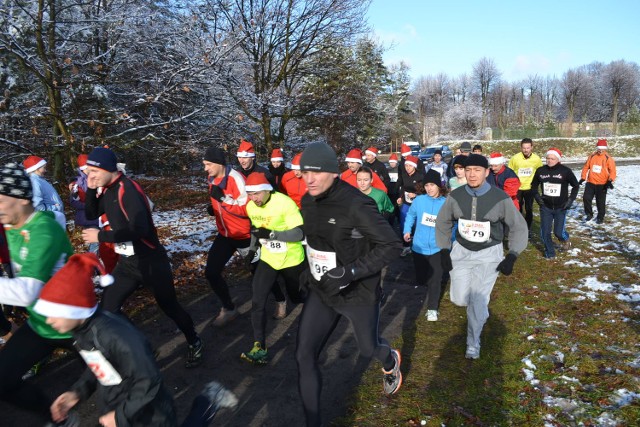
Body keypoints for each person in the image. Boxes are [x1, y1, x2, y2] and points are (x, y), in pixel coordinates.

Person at [35, 253, 238, 427]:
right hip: (121, 409)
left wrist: (120, 415)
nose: (49, 320)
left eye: (54, 312)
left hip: (149, 414)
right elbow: (99, 364)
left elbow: (149, 379)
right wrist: (76, 393)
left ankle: (209, 401)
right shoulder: (82, 330)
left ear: (74, 308)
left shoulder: (116, 335)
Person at [296, 143, 403, 427]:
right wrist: (309, 268)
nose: (309, 179)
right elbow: (315, 238)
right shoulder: (308, 200)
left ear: (333, 172)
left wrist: (350, 271)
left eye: (316, 173)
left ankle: (390, 359)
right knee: (304, 355)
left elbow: (391, 245)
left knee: (368, 350)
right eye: (305, 172)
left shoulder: (356, 204)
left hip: (358, 290)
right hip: (324, 288)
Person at [82, 147, 204, 368]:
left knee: (169, 306)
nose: (90, 176)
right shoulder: (108, 189)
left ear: (109, 168)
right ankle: (143, 347)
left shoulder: (128, 190)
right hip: (128, 264)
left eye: (93, 171)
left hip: (151, 262)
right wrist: (91, 189)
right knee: (108, 309)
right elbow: (91, 213)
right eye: (87, 172)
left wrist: (101, 235)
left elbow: (140, 229)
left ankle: (194, 340)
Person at [0, 162, 75, 424]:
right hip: (42, 324)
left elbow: (27, 292)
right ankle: (58, 419)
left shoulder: (44, 228)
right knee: (3, 381)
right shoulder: (11, 226)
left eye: (0, 200)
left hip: (75, 324)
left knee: (121, 379)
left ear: (21, 199)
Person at [435, 154, 528, 360]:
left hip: (489, 253)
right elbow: (443, 222)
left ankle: (473, 343)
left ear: (487, 172)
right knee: (459, 299)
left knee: (477, 300)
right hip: (461, 250)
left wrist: (512, 255)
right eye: (468, 170)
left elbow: (518, 227)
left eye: (477, 170)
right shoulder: (455, 196)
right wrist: (444, 249)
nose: (472, 174)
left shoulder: (500, 198)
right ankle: (480, 311)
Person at [202, 146, 287, 325]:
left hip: (245, 235)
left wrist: (223, 201)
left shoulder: (237, 179)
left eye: (208, 164)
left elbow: (246, 209)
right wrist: (214, 209)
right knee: (211, 272)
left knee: (260, 272)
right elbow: (219, 203)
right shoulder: (211, 178)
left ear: (219, 163)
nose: (206, 168)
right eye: (205, 164)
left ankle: (280, 299)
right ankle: (229, 308)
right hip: (225, 234)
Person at [241, 172, 306, 364]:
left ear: (267, 190)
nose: (254, 199)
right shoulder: (251, 206)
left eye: (257, 194)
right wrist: (252, 252)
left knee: (297, 297)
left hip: (291, 259)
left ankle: (320, 310)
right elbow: (256, 231)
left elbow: (299, 234)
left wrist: (272, 234)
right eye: (250, 194)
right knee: (258, 300)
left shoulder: (284, 203)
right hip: (269, 259)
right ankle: (259, 346)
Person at [403, 169, 448, 321]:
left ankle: (432, 308)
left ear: (439, 186)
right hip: (419, 247)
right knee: (422, 278)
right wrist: (406, 230)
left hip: (437, 247)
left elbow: (452, 224)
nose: (429, 188)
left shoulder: (446, 203)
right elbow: (411, 215)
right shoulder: (419, 200)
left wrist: (450, 242)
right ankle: (424, 283)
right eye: (427, 185)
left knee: (435, 278)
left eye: (432, 185)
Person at [531, 148, 580, 259]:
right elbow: (533, 186)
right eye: (547, 158)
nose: (549, 160)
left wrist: (570, 200)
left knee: (558, 232)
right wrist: (538, 199)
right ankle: (550, 253)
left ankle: (565, 238)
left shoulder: (565, 171)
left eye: (552, 158)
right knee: (545, 233)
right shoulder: (540, 171)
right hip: (546, 207)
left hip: (561, 207)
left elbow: (575, 186)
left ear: (558, 159)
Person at [508, 138, 543, 237]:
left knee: (529, 209)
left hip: (530, 188)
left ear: (532, 147)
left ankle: (527, 229)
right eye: (524, 148)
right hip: (517, 188)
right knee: (517, 209)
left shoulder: (536, 159)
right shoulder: (515, 158)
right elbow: (509, 172)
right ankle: (518, 228)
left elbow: (540, 172)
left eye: (528, 148)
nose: (526, 150)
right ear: (521, 148)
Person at [22, 155, 66, 230]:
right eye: (43, 168)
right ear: (36, 168)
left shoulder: (40, 180)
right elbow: (37, 206)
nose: (45, 170)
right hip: (49, 220)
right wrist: (55, 207)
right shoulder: (34, 182)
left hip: (53, 219)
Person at [580, 139, 617, 224]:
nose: (600, 150)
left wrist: (610, 180)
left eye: (602, 149)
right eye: (599, 148)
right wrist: (583, 177)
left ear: (605, 149)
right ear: (597, 148)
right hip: (590, 182)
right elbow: (586, 167)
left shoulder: (608, 158)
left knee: (600, 202)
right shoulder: (592, 156)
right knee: (586, 198)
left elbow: (613, 171)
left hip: (602, 184)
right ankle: (589, 214)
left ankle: (600, 217)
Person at [69, 154, 100, 253]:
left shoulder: (95, 178)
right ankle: (92, 264)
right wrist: (88, 206)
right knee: (95, 243)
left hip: (97, 217)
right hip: (87, 218)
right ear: (84, 168)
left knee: (99, 242)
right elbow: (73, 201)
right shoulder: (77, 183)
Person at [396, 155, 425, 256]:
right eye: (406, 165)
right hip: (407, 203)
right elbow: (403, 188)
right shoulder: (404, 176)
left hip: (418, 203)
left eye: (410, 166)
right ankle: (406, 246)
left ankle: (417, 246)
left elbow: (425, 191)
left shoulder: (420, 176)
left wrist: (416, 194)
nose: (407, 168)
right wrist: (400, 197)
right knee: (403, 223)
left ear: (414, 166)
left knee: (417, 224)